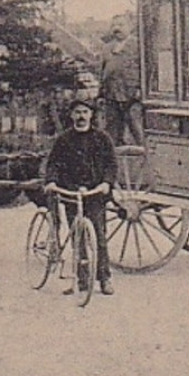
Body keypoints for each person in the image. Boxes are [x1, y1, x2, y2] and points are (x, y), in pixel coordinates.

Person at [44, 98, 119, 295]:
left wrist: (106, 183)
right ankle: (82, 280)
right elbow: (53, 163)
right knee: (77, 238)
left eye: (85, 112)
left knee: (100, 238)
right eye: (77, 112)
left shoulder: (102, 138)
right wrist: (51, 181)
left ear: (91, 115)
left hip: (95, 195)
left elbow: (111, 164)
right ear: (71, 116)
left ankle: (104, 279)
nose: (81, 116)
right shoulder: (63, 140)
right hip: (71, 193)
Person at [99, 26, 145, 147]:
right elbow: (102, 69)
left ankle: (143, 151)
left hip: (131, 91)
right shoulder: (107, 47)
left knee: (134, 122)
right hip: (111, 91)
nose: (117, 28)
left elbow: (146, 67)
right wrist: (101, 91)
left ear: (128, 27)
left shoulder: (138, 45)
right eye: (114, 26)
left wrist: (141, 88)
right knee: (112, 124)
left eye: (121, 25)